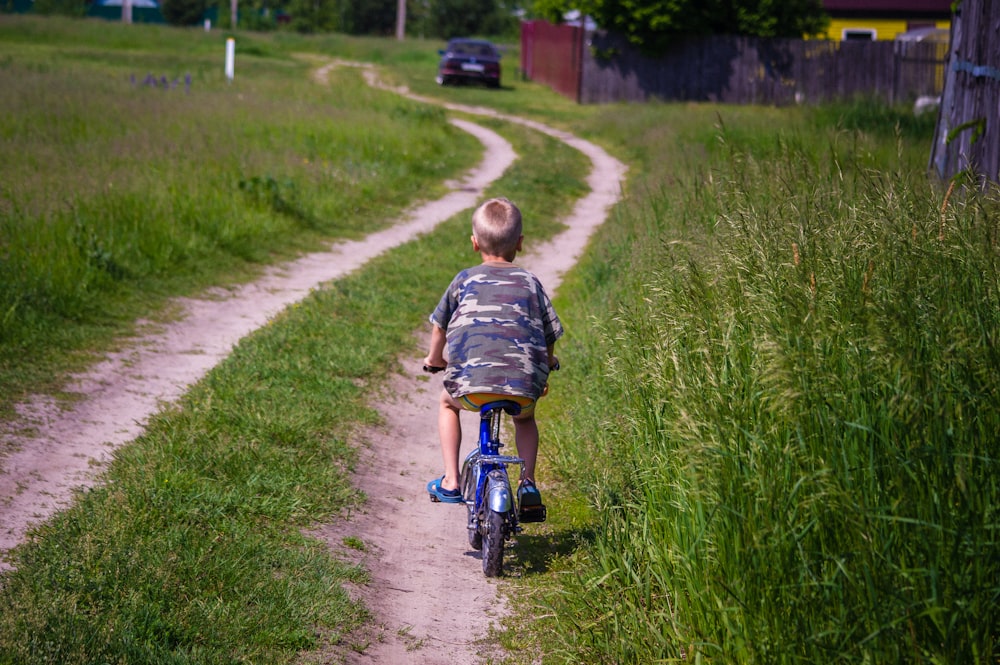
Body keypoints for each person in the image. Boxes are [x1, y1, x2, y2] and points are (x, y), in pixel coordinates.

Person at [423, 197, 562, 511]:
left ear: (474, 243)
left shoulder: (463, 279)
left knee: (447, 403)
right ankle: (528, 483)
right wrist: (546, 364)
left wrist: (434, 359)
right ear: (520, 244)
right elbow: (549, 333)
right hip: (522, 390)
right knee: (525, 420)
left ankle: (451, 480)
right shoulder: (530, 282)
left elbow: (439, 327)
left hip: (471, 388)